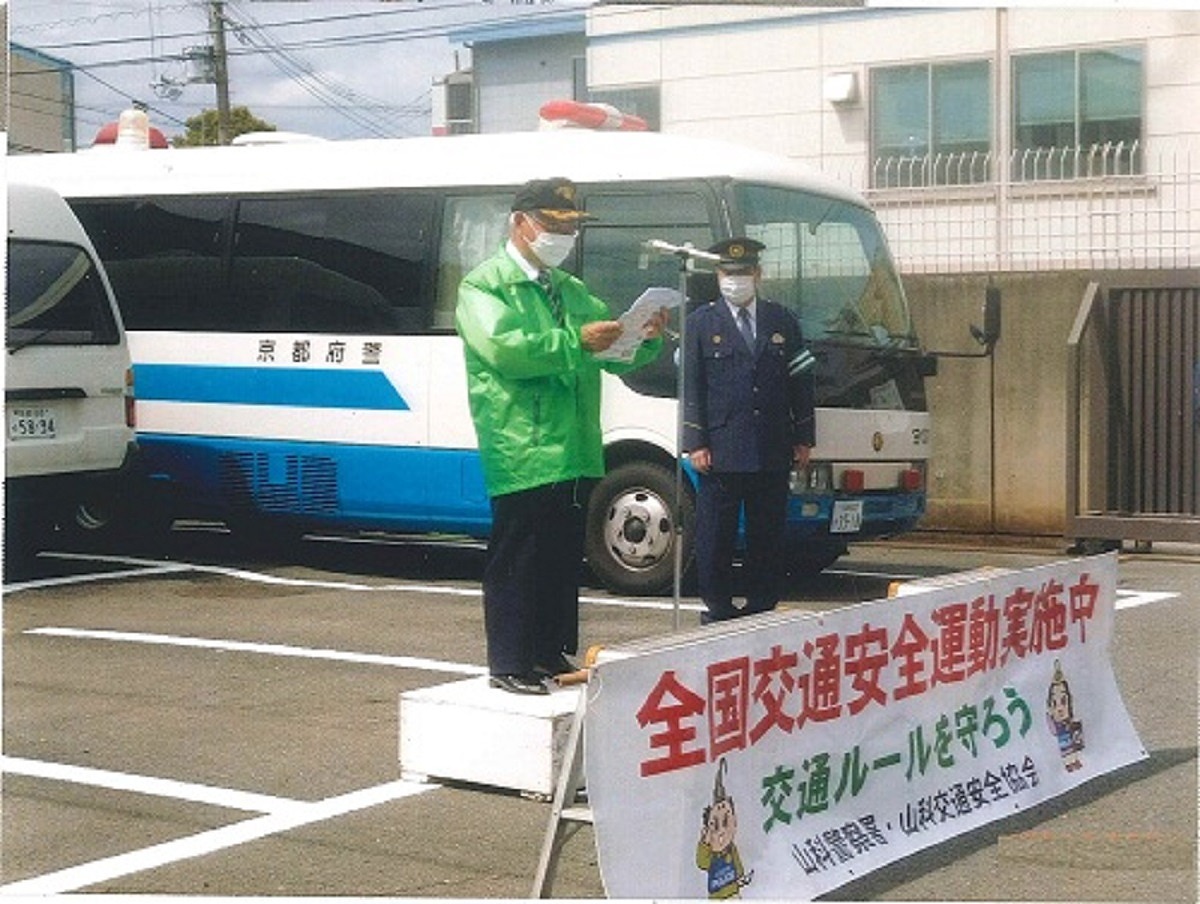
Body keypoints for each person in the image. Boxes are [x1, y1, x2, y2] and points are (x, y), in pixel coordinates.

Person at [455, 177, 666, 694]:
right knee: (519, 552)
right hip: (521, 441)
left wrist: (644, 339)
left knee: (559, 552)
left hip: (572, 443)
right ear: (520, 223)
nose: (561, 237)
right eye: (552, 226)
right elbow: (508, 349)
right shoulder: (484, 285)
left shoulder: (570, 291)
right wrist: (577, 340)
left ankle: (549, 651)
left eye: (570, 228)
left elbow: (610, 346)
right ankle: (509, 662)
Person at [682, 237, 815, 623]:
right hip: (721, 448)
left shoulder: (781, 321)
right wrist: (696, 441)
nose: (734, 280)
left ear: (757, 274)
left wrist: (803, 437)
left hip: (771, 445)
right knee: (715, 534)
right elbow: (692, 387)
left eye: (742, 273)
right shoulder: (701, 323)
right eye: (727, 273)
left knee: (767, 533)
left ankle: (761, 605)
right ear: (718, 275)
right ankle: (718, 606)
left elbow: (801, 381)